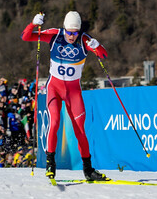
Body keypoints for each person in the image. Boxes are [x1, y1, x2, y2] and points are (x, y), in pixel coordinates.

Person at [21, 10, 108, 182]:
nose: (71, 36)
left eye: (75, 33)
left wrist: (97, 46)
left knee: (80, 130)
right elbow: (26, 37)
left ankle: (88, 170)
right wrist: (33, 24)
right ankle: (50, 165)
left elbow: (103, 55)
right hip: (54, 88)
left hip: (73, 92)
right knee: (54, 122)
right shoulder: (55, 35)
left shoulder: (84, 39)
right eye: (69, 32)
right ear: (64, 28)